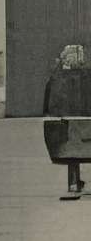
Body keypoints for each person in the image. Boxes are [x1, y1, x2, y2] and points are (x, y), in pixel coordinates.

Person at [45, 42, 91, 200]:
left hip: (66, 141)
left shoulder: (56, 80)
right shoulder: (87, 78)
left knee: (71, 143)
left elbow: (49, 107)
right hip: (86, 134)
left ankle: (73, 184)